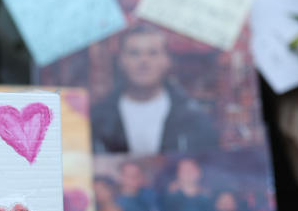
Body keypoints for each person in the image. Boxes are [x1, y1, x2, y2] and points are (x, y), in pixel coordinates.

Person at [91, 24, 219, 155]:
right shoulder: (96, 119)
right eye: (134, 53)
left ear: (167, 61)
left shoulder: (194, 117)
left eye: (153, 53)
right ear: (121, 61)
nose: (143, 61)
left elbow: (209, 167)